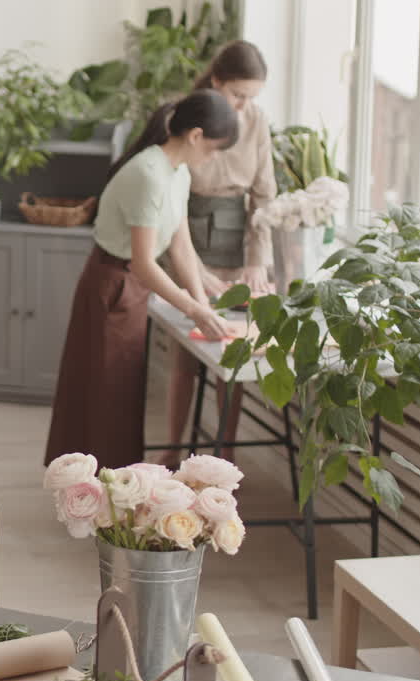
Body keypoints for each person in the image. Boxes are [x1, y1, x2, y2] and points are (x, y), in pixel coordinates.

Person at [44, 89, 239, 470]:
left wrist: (205, 305)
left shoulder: (178, 173)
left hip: (130, 286)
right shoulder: (148, 175)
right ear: (196, 136)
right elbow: (144, 264)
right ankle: (96, 485)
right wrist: (195, 310)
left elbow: (182, 247)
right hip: (110, 285)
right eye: (214, 149)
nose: (213, 158)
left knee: (122, 392)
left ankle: (117, 485)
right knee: (104, 395)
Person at [158, 40, 276, 468]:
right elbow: (170, 198)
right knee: (186, 355)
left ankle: (224, 455)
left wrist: (257, 259)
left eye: (250, 97)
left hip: (237, 246)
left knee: (233, 351)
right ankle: (173, 447)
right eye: (237, 94)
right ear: (216, 80)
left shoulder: (257, 121)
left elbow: (264, 195)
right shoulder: (185, 117)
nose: (242, 105)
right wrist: (191, 268)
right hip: (185, 237)